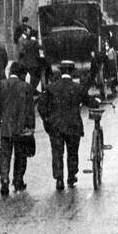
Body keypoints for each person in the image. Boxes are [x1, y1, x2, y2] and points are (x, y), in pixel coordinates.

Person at [0, 61, 36, 196]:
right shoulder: (26, 87)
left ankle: (4, 180)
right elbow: (30, 111)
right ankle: (18, 181)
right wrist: (31, 128)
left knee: (3, 155)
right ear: (22, 74)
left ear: (10, 72)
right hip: (21, 129)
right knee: (21, 156)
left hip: (3, 127)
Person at [38, 59, 85, 190]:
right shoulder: (77, 88)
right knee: (72, 152)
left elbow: (41, 107)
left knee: (57, 153)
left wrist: (47, 120)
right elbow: (88, 101)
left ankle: (59, 179)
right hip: (73, 125)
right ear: (72, 72)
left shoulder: (51, 88)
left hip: (56, 126)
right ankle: (71, 176)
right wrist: (96, 101)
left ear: (60, 71)